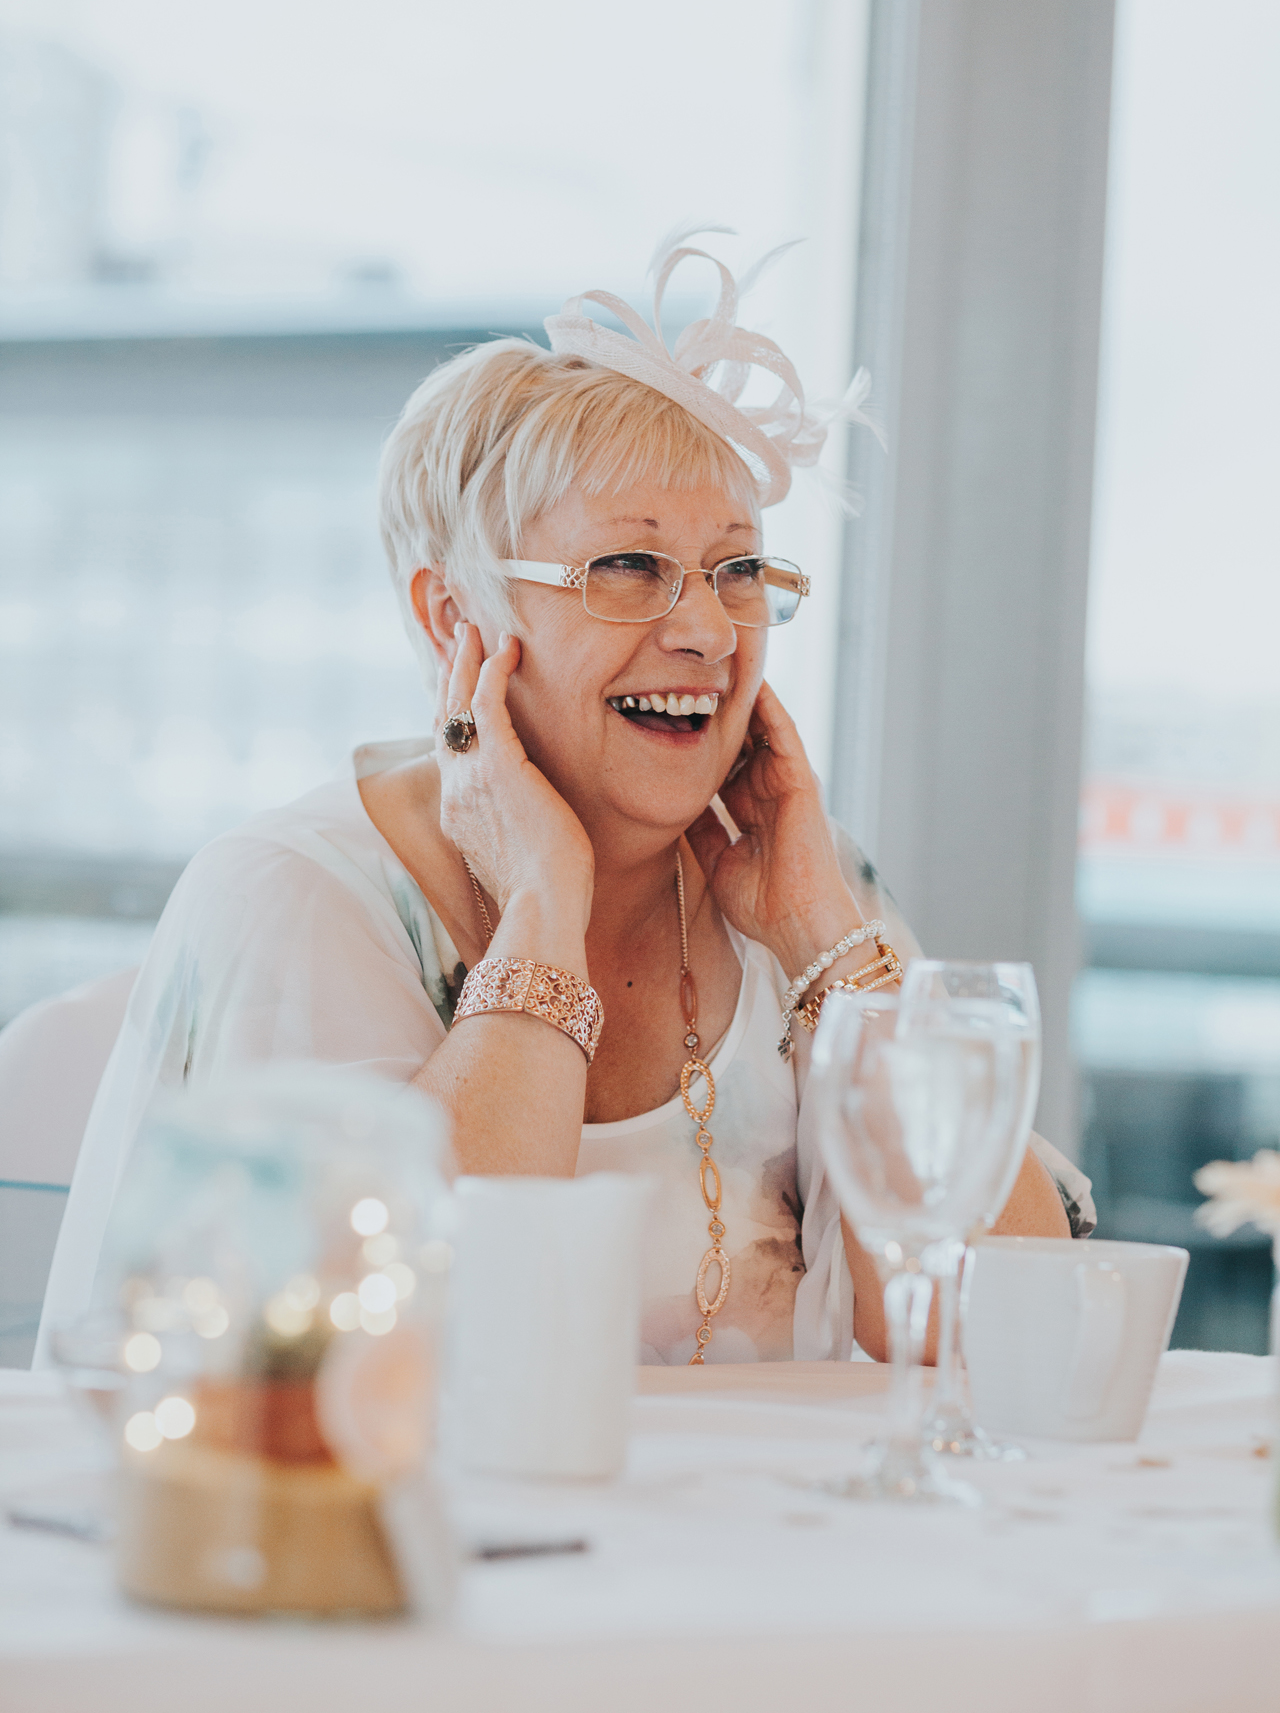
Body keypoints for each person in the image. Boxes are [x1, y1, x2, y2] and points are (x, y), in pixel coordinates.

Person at [40, 232, 1091, 1368]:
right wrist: (541, 905)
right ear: (455, 620)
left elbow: (1016, 1338)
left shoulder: (799, 871)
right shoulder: (296, 896)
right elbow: (375, 1368)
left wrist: (824, 941)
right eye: (627, 569)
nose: (702, 630)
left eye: (736, 570)